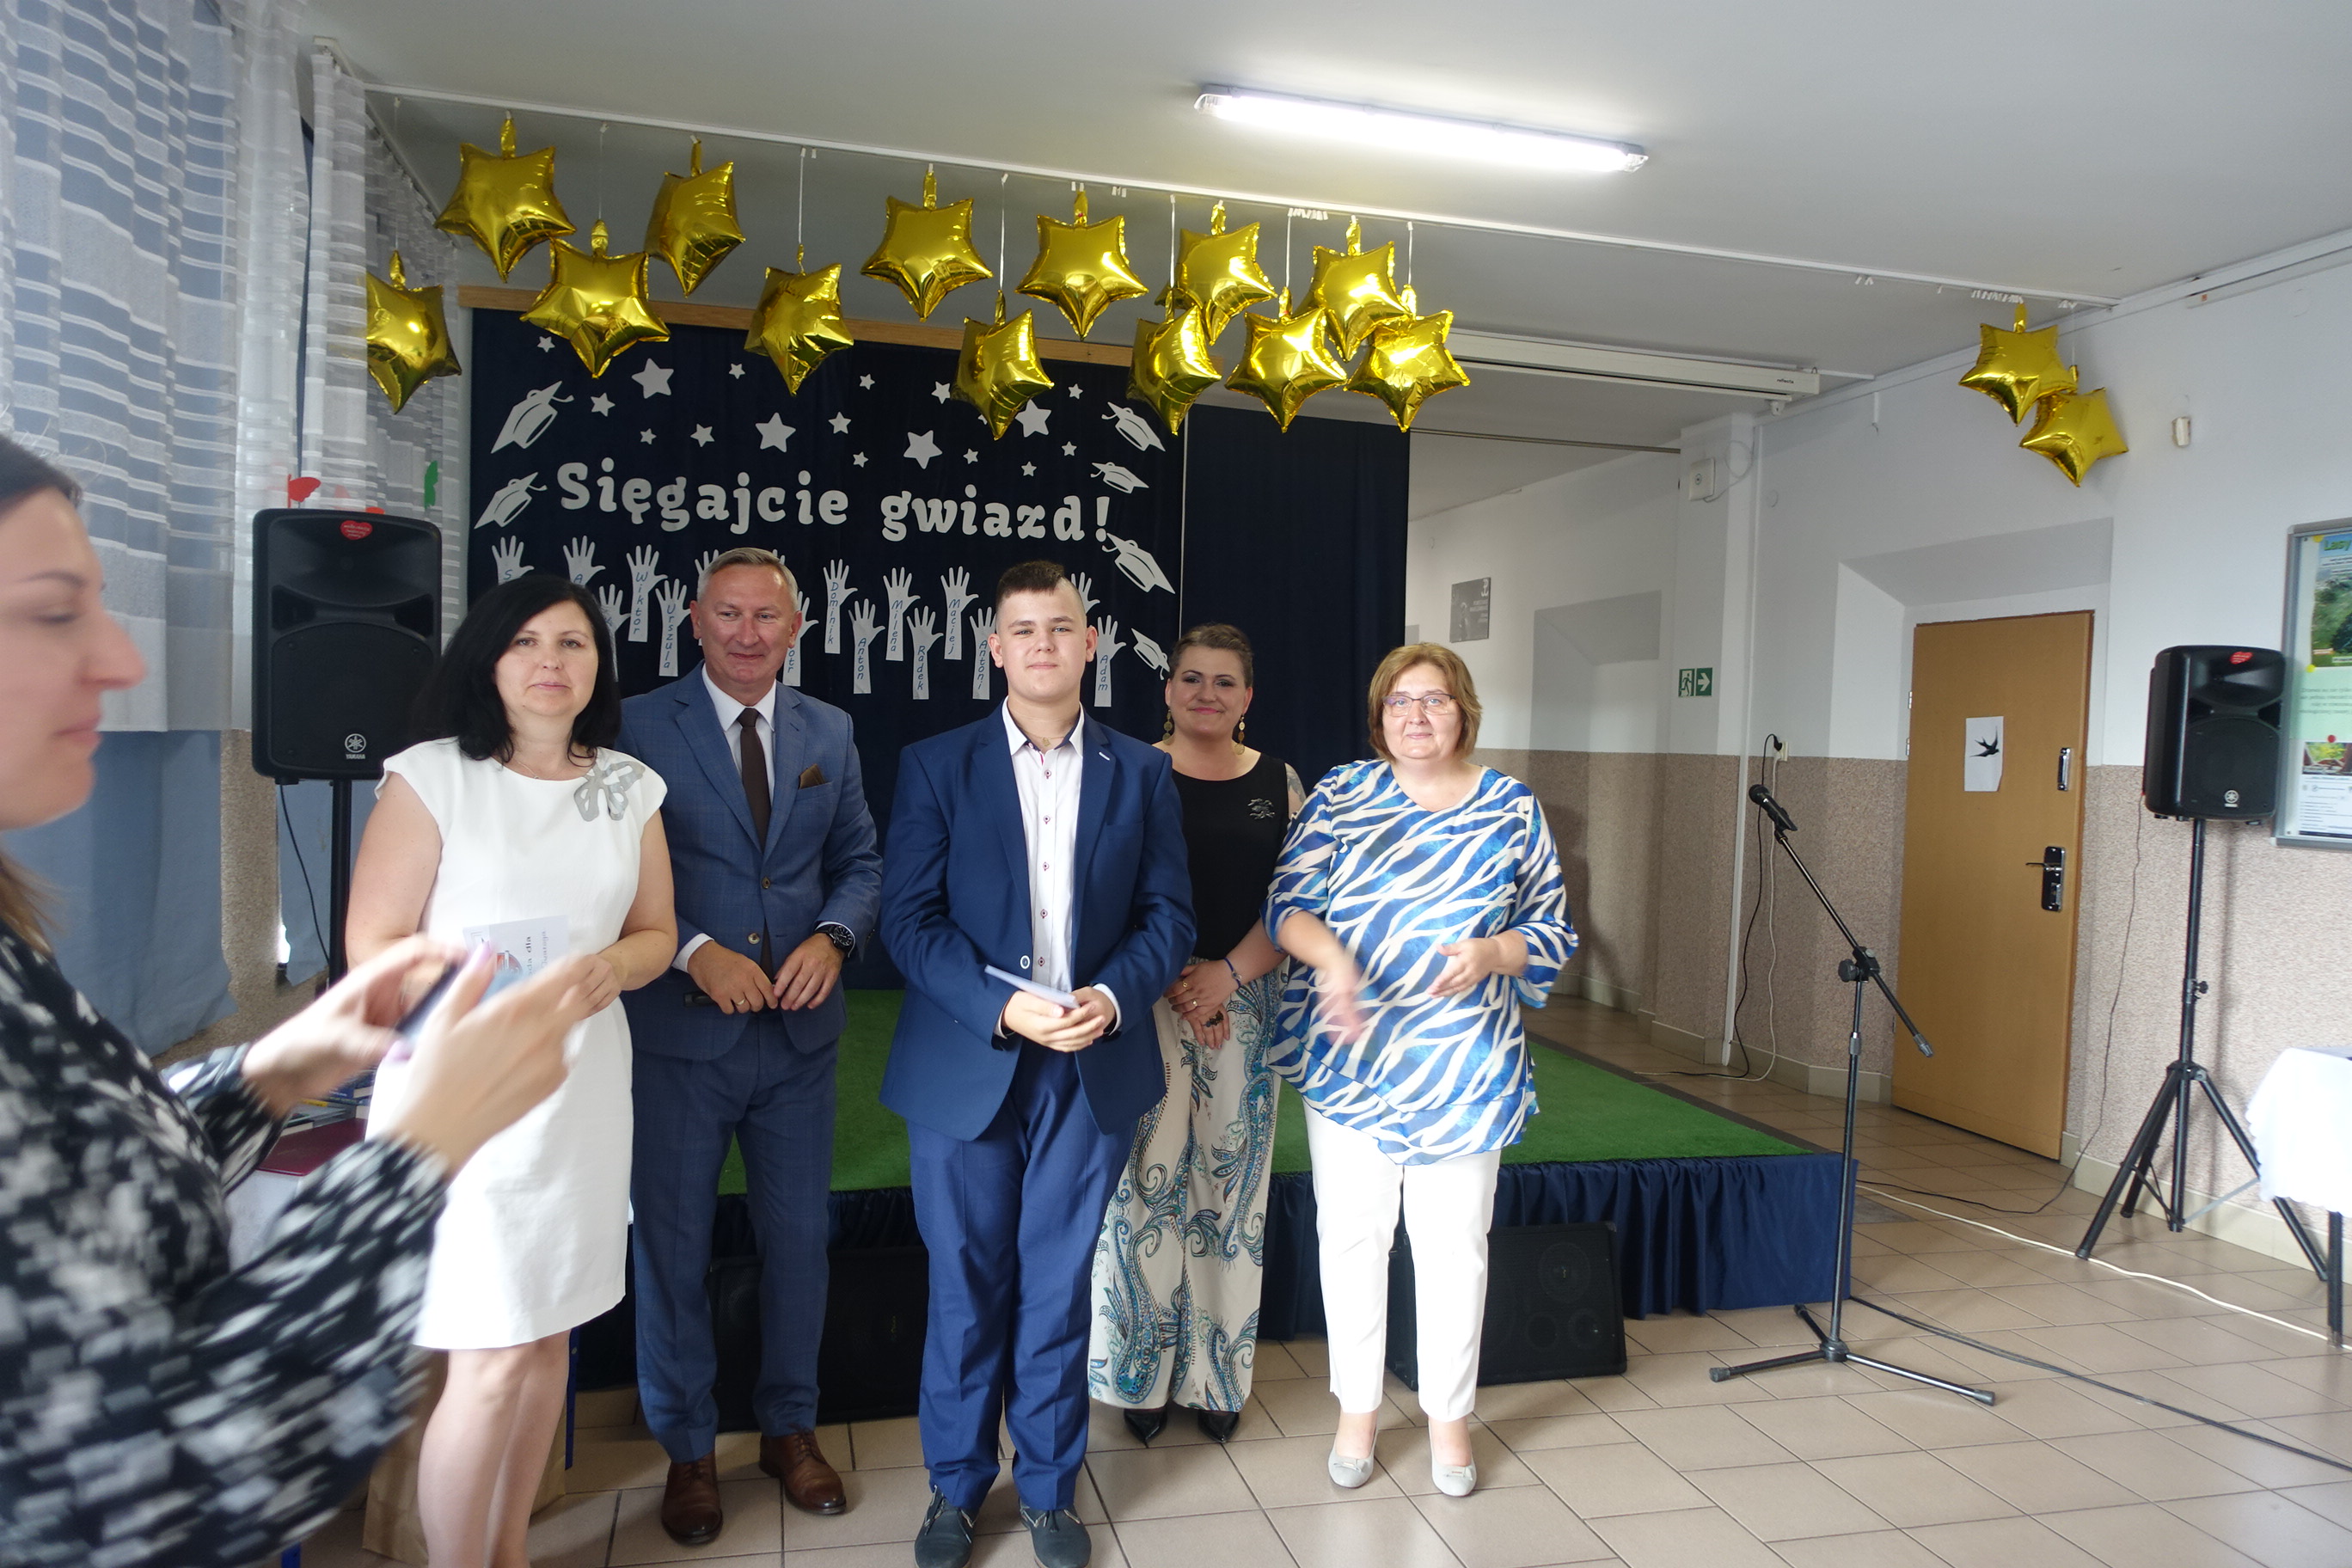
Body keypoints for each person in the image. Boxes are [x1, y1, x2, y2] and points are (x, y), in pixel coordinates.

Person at [0, 436, 596, 1568]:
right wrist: (416, 1154)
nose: (120, 658)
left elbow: (72, 1180)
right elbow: (143, 1483)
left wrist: (269, 1074)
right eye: (52, 612)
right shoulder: (432, 778)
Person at [347, 573, 678, 1568]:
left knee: (546, 1343)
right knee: (487, 1357)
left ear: (598, 665)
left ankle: (506, 1551)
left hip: (581, 1086)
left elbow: (655, 933)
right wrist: (476, 983)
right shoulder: (431, 777)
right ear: (487, 660)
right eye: (525, 641)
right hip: (464, 1089)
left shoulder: (627, 786)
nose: (549, 662)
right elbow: (372, 946)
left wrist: (611, 967)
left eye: (573, 643)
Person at [880, 560, 1191, 1568]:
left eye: (1061, 627)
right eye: (1024, 629)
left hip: (1091, 1066)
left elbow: (1168, 917)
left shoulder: (1141, 772)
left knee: (1057, 1286)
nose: (1043, 644)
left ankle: (1052, 1492)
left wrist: (1113, 996)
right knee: (966, 1285)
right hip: (968, 1061)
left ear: (1090, 642)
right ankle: (956, 1487)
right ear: (996, 647)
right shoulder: (937, 764)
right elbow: (908, 921)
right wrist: (1000, 1006)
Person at [1265, 642, 1575, 1499]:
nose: (1416, 715)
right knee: (1353, 1238)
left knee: (1455, 1249)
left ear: (1463, 711)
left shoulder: (1511, 806)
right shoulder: (1342, 794)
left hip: (1465, 1063)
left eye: (1434, 699)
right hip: (1353, 1056)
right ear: (1379, 718)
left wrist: (1494, 952)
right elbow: (1286, 906)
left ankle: (1449, 1420)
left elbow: (1551, 928)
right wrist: (1333, 962)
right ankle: (1357, 1413)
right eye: (1399, 702)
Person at [616, 546, 882, 1543]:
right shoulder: (636, 726)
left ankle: (789, 1429)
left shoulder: (830, 731)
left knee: (799, 1245)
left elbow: (860, 861)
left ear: (796, 628)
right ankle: (688, 1450)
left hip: (799, 1042)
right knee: (673, 1249)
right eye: (726, 614)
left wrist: (834, 938)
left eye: (766, 616)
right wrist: (692, 951)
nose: (746, 633)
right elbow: (609, 872)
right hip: (681, 1037)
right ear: (694, 621)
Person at [1088, 624, 1302, 1445]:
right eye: (1191, 679)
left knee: (1229, 1191)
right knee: (1142, 1187)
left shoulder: (1281, 783)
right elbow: (1105, 893)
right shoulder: (1126, 770)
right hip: (1146, 1000)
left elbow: (1296, 902)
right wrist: (1179, 984)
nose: (1207, 694)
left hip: (1245, 1003)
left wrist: (1225, 980)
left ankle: (1217, 1376)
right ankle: (1138, 1376)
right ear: (1167, 689)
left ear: (1248, 698)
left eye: (1225, 682)